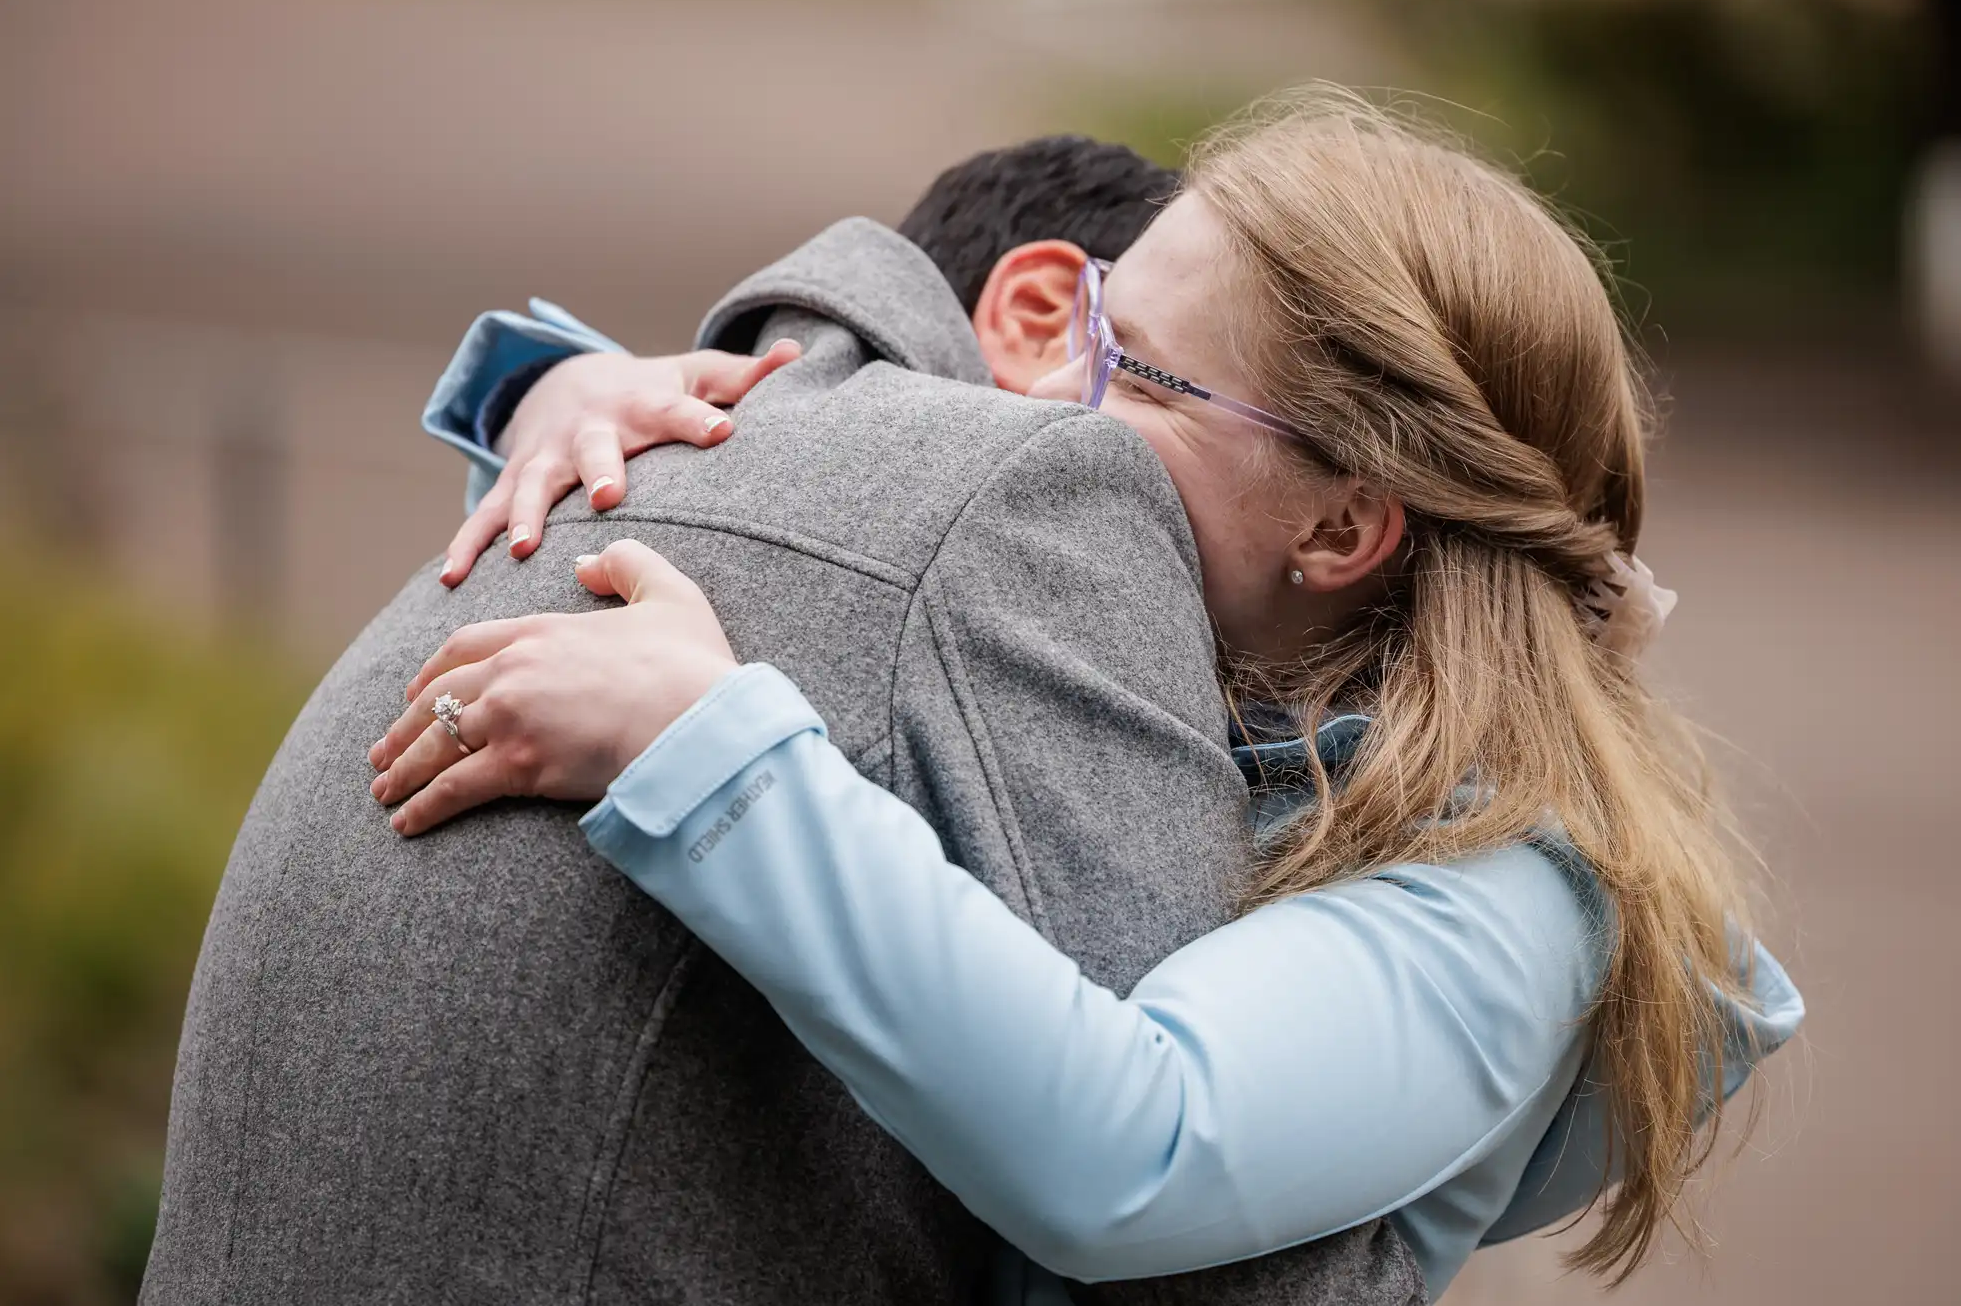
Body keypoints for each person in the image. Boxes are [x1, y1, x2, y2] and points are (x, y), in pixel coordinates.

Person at [373, 91, 1803, 1298]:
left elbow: (1133, 1151)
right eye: (1090, 318)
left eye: (1128, 370)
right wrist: (571, 400)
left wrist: (710, 754)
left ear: (1337, 528)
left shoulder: (1504, 903)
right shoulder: (1220, 672)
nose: (1042, 398)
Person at [143, 133, 1424, 1306]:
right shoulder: (1044, 494)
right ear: (1042, 319)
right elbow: (1195, 1233)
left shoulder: (628, 456)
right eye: (1126, 347)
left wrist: (538, 378)